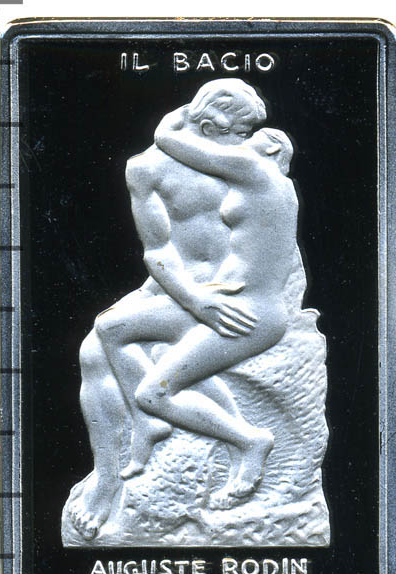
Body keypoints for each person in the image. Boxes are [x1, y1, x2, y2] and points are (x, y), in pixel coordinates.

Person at [68, 79, 267, 539]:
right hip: (178, 288)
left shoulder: (245, 161)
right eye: (240, 132)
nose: (248, 141)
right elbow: (157, 250)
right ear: (210, 125)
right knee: (92, 351)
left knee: (111, 334)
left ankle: (151, 421)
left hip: (231, 289)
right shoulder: (147, 169)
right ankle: (108, 475)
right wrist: (193, 298)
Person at [128, 109, 299, 508]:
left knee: (152, 394)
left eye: (252, 137)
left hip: (250, 316)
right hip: (241, 303)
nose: (242, 142)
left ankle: (249, 440)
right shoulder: (275, 187)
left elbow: (170, 140)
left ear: (272, 149)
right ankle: (147, 429)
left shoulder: (256, 170)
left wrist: (184, 114)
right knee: (121, 332)